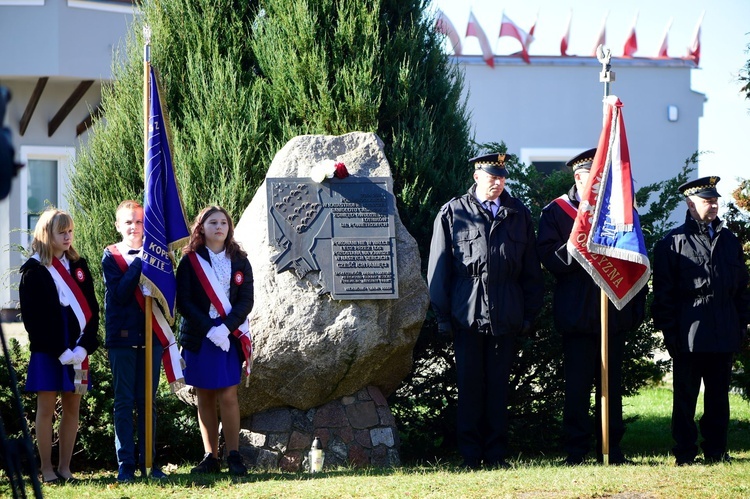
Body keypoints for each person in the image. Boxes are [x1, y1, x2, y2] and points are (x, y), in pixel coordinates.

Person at [427, 153, 544, 469]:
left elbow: (531, 271)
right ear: (477, 176)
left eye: (503, 177)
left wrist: (530, 314)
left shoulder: (517, 214)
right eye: (493, 176)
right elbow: (438, 271)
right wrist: (441, 317)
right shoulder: (453, 213)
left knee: (498, 389)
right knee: (469, 389)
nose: (499, 182)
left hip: (506, 315)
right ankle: (469, 456)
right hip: (467, 315)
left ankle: (496, 455)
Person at [537, 148, 647, 465]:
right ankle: (575, 450)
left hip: (613, 312)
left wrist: (634, 308)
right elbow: (550, 261)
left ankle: (611, 448)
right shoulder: (556, 212)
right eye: (594, 178)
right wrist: (579, 241)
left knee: (611, 386)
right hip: (577, 315)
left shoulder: (620, 213)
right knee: (577, 387)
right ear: (579, 178)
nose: (600, 184)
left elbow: (635, 260)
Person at [652, 176, 750, 466]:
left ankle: (717, 451)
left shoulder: (729, 241)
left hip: (724, 328)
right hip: (689, 331)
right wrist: (669, 332)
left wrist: (743, 324)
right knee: (685, 397)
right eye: (707, 200)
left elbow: (741, 288)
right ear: (690, 204)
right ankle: (684, 452)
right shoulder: (672, 242)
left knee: (719, 396)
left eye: (716, 200)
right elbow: (664, 293)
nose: (714, 205)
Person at [19, 208, 100, 484]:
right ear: (47, 235)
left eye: (70, 231)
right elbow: (34, 319)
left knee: (72, 407)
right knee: (45, 408)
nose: (68, 237)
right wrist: (58, 349)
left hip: (78, 349)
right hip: (48, 349)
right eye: (61, 232)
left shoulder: (79, 265)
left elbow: (92, 310)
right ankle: (47, 469)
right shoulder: (33, 270)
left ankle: (65, 468)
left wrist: (84, 347)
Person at [176, 206, 253, 476]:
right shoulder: (190, 260)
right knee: (204, 396)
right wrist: (210, 329)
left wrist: (225, 329)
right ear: (202, 228)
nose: (219, 227)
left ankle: (234, 455)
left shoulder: (240, 259)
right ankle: (210, 456)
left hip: (229, 338)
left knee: (229, 395)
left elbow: (246, 301)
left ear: (229, 228)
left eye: (223, 222)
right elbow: (184, 301)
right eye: (213, 222)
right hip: (201, 336)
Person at [102, 200, 169, 481]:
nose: (134, 226)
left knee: (147, 401)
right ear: (118, 225)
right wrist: (141, 262)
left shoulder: (157, 256)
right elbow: (120, 293)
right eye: (128, 222)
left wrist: (152, 261)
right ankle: (125, 464)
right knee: (124, 401)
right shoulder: (111, 255)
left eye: (140, 221)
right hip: (122, 338)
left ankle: (149, 463)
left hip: (151, 336)